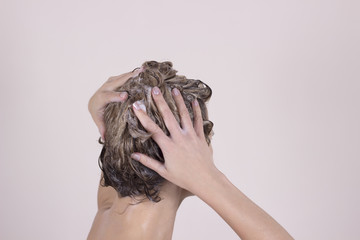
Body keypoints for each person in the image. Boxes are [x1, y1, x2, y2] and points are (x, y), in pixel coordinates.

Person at [87, 61, 294, 240]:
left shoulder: (110, 204)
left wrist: (108, 120)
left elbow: (125, 145)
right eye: (194, 140)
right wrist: (209, 179)